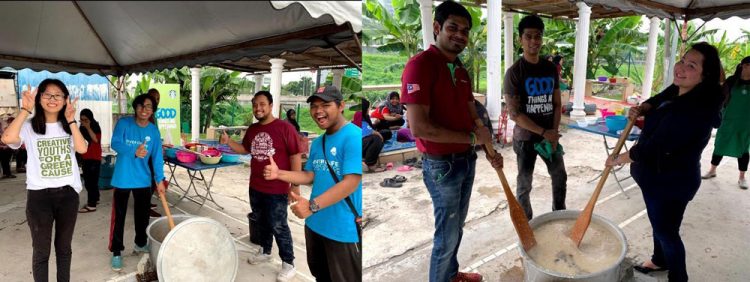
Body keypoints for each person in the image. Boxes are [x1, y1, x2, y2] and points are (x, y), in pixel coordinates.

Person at [401, 2, 501, 281]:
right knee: (445, 236)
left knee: (456, 229)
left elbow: (472, 112)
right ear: (437, 28)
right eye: (453, 27)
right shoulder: (420, 66)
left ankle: (451, 275)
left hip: (466, 160)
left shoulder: (459, 69)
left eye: (465, 31)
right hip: (441, 166)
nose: (460, 35)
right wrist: (471, 137)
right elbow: (419, 127)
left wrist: (488, 149)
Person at [607, 42, 724, 281]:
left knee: (667, 231)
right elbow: (662, 96)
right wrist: (644, 107)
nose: (681, 68)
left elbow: (649, 150)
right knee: (661, 224)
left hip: (670, 183)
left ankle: (679, 278)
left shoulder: (691, 111)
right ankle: (659, 260)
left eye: (691, 65)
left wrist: (617, 159)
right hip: (656, 178)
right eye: (682, 60)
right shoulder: (681, 90)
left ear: (704, 76)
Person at [263, 86, 362, 282]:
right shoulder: (319, 143)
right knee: (320, 276)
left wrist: (311, 206)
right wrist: (279, 173)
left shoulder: (354, 137)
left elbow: (351, 182)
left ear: (341, 106)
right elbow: (309, 175)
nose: (318, 111)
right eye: (314, 106)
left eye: (325, 104)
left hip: (342, 230)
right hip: (315, 225)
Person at [1, 79, 88, 282]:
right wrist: (25, 110)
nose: (52, 99)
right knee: (41, 251)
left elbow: (82, 148)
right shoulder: (30, 127)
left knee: (64, 249)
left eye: (58, 95)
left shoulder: (69, 126)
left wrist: (71, 120)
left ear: (65, 99)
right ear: (39, 98)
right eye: (47, 94)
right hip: (39, 197)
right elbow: (6, 138)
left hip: (67, 195)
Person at [220, 91, 301, 281]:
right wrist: (228, 141)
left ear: (271, 105)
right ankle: (265, 251)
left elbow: (295, 156)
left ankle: (288, 263)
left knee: (278, 225)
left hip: (277, 188)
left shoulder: (284, 128)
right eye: (255, 105)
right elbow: (245, 149)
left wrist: (295, 185)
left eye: (262, 104)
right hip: (255, 185)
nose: (258, 108)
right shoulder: (253, 129)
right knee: (261, 221)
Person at [504, 14, 567, 220]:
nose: (534, 41)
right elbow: (514, 114)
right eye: (528, 36)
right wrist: (543, 132)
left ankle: (559, 215)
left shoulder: (550, 68)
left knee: (559, 177)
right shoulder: (514, 72)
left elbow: (557, 103)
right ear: (520, 39)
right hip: (526, 139)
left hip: (549, 136)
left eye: (538, 36)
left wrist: (553, 132)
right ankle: (527, 225)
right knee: (525, 184)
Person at [108, 94, 166, 271]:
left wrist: (160, 180)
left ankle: (140, 243)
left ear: (153, 110)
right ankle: (116, 251)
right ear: (135, 107)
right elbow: (115, 143)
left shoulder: (153, 131)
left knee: (142, 216)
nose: (144, 109)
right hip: (123, 179)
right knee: (119, 218)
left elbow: (157, 158)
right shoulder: (124, 123)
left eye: (148, 106)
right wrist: (134, 150)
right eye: (140, 105)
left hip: (143, 179)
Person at [702, 56, 750, 189]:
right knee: (720, 144)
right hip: (728, 120)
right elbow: (720, 98)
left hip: (746, 123)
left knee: (744, 149)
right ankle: (712, 170)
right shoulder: (732, 81)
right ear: (744, 66)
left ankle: (742, 177)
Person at [77, 109, 102, 213]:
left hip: (94, 158)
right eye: (81, 120)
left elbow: (96, 140)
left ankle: (91, 205)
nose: (83, 122)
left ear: (90, 118)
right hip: (85, 157)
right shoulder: (81, 128)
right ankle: (95, 199)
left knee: (90, 182)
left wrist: (88, 127)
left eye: (86, 120)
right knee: (90, 181)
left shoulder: (95, 127)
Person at [146, 88, 162, 218]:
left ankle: (146, 203)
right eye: (153, 98)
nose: (156, 101)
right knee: (150, 181)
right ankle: (145, 208)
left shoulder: (153, 115)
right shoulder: (147, 115)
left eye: (157, 99)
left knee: (152, 180)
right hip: (147, 155)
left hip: (152, 152)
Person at [360, 99, 386, 173]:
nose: (369, 109)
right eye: (368, 108)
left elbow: (371, 128)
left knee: (385, 133)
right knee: (377, 139)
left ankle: (365, 158)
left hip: (363, 140)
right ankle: (370, 164)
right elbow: (370, 132)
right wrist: (379, 135)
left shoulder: (365, 116)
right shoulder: (360, 117)